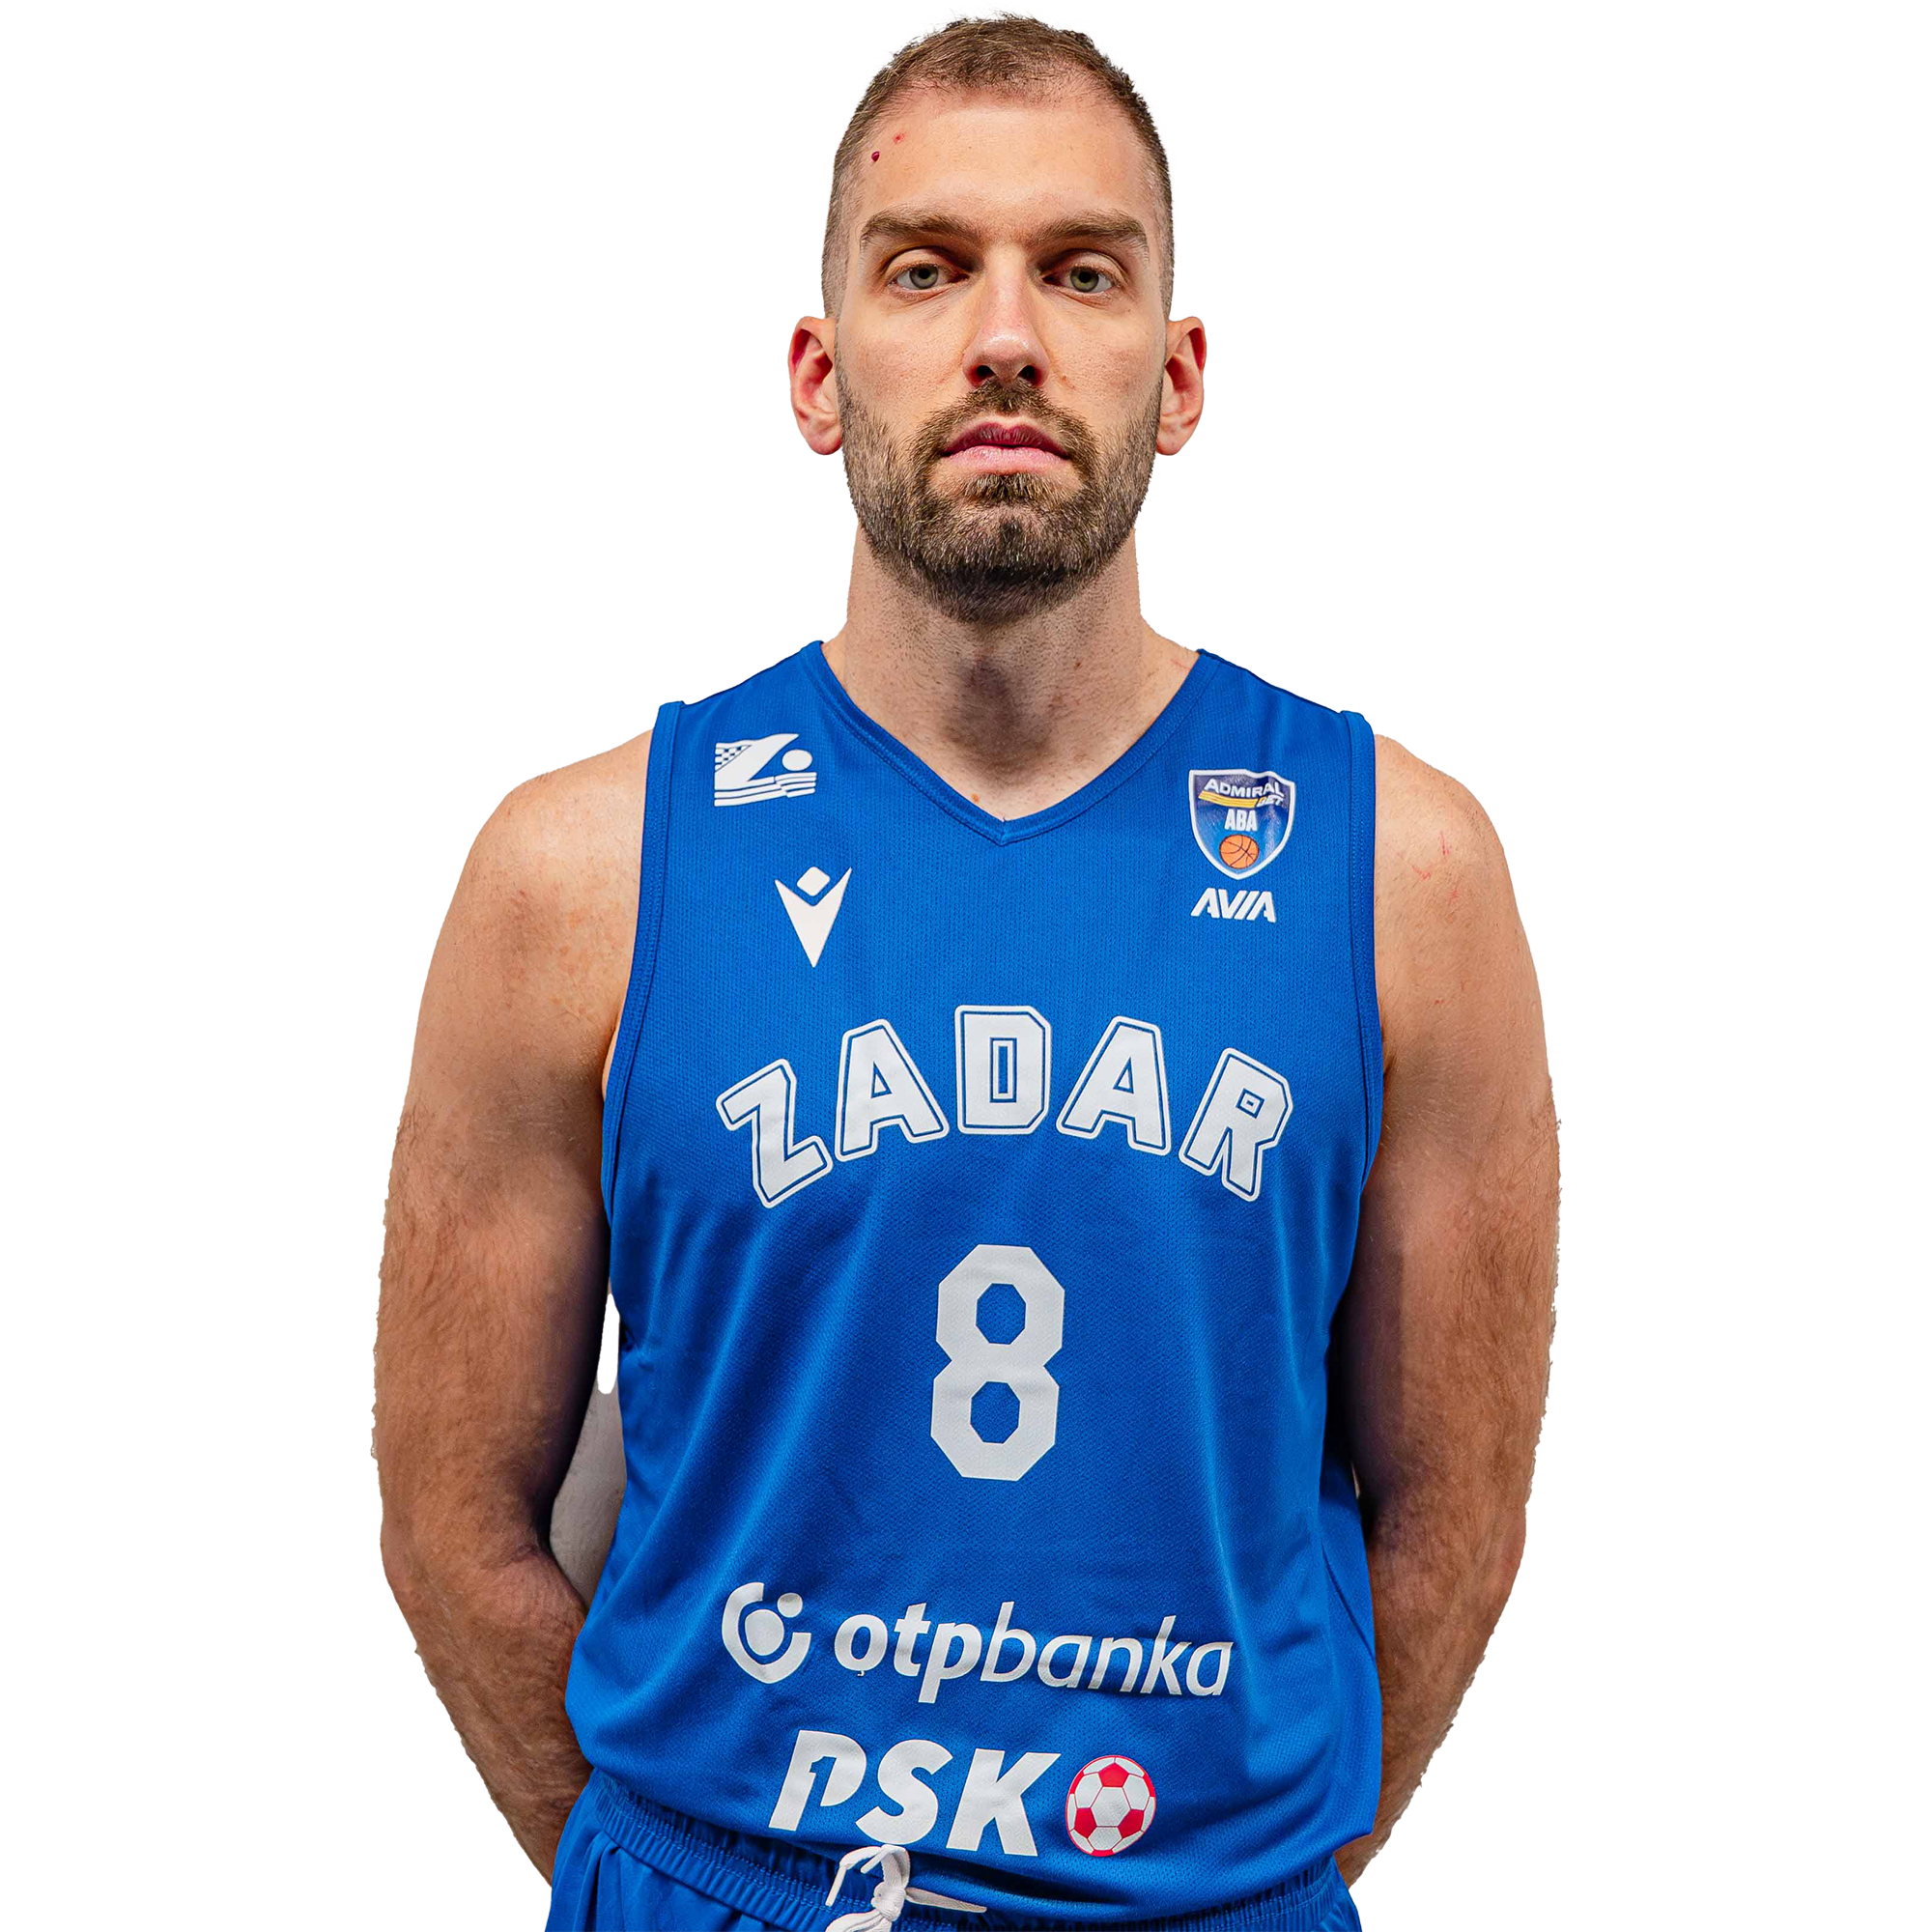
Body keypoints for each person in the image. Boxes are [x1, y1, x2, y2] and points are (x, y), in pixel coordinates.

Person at [375, 16, 1558, 1932]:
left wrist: (1241, 1881)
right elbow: (447, 1518)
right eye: (926, 269)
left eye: (1079, 270)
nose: (1005, 336)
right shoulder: (576, 878)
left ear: (1176, 374)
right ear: (819, 370)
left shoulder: (1401, 875)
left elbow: (1461, 1527)